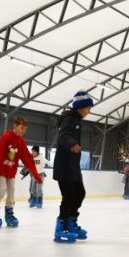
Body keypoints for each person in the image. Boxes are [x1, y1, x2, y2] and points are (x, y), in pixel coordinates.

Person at [0, 116, 42, 228]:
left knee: (11, 191)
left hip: (11, 171)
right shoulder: (6, 136)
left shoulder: (21, 142)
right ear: (15, 126)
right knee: (2, 189)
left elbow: (27, 158)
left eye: (25, 129)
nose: (23, 131)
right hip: (0, 169)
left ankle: (9, 214)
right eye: (22, 128)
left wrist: (35, 175)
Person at [52, 91, 93, 243]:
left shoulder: (76, 120)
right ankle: (60, 228)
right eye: (88, 107)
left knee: (79, 193)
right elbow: (62, 137)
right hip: (64, 167)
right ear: (80, 107)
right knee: (68, 197)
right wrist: (72, 144)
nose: (89, 111)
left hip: (72, 167)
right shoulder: (69, 120)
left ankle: (71, 222)